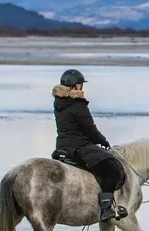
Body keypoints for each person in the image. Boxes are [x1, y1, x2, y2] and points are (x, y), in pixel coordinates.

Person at [51, 69, 127, 221]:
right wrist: (103, 141)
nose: (82, 88)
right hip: (78, 148)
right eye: (80, 85)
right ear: (75, 87)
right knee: (112, 169)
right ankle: (106, 210)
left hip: (61, 147)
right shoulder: (78, 105)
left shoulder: (59, 103)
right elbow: (91, 130)